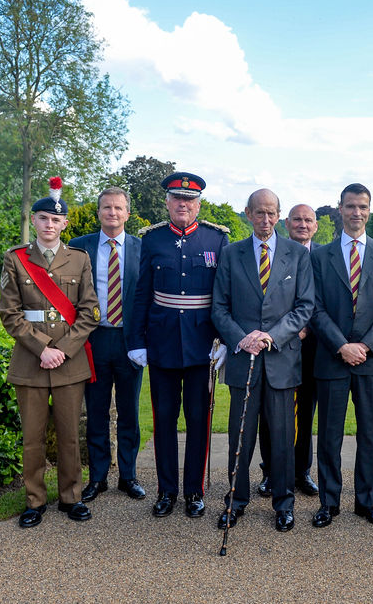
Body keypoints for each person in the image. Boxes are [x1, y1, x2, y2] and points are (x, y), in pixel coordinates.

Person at [127, 172, 230, 520]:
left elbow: (225, 296)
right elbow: (141, 294)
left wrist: (225, 340)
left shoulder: (217, 240)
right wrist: (136, 341)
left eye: (189, 199)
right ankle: (167, 490)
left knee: (199, 420)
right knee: (165, 420)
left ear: (199, 203)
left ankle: (194, 492)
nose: (183, 204)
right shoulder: (152, 240)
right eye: (176, 198)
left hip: (203, 344)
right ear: (167, 202)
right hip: (162, 343)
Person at [212, 188, 314, 532]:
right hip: (244, 361)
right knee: (240, 436)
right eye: (259, 213)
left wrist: (272, 335)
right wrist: (243, 337)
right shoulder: (231, 254)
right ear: (248, 213)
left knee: (284, 438)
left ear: (279, 215)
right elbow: (220, 308)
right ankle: (236, 500)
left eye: (272, 213)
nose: (266, 220)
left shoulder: (297, 255)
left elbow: (304, 307)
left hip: (282, 361)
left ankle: (284, 503)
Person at [0, 177, 99, 528]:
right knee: (33, 437)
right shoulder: (16, 259)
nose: (50, 225)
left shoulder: (79, 259)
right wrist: (43, 349)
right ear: (35, 220)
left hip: (69, 363)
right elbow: (9, 314)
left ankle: (71, 497)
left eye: (56, 220)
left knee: (71, 435)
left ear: (65, 224)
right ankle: (35, 500)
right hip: (31, 361)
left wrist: (63, 350)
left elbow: (90, 312)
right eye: (43, 218)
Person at [309, 184, 373, 529]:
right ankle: (328, 503)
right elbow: (314, 308)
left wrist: (364, 346)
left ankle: (367, 502)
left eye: (362, 206)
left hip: (372, 361)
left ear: (370, 209)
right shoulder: (319, 256)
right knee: (329, 435)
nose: (356, 212)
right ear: (340, 209)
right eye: (350, 206)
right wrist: (341, 345)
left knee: (370, 435)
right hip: (331, 358)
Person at [68, 187, 146, 504]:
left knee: (129, 412)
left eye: (118, 208)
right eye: (106, 208)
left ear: (127, 213)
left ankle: (128, 475)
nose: (112, 213)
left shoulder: (143, 249)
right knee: (97, 411)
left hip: (130, 342)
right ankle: (98, 477)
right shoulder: (79, 247)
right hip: (94, 339)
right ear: (98, 212)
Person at [257, 204, 320, 498]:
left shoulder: (323, 256)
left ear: (316, 225)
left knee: (305, 409)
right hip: (277, 345)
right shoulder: (274, 252)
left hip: (312, 346)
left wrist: (307, 329)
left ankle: (301, 471)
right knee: (269, 413)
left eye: (308, 220)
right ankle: (270, 471)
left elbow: (324, 301)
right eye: (297, 219)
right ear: (287, 222)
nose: (302, 224)